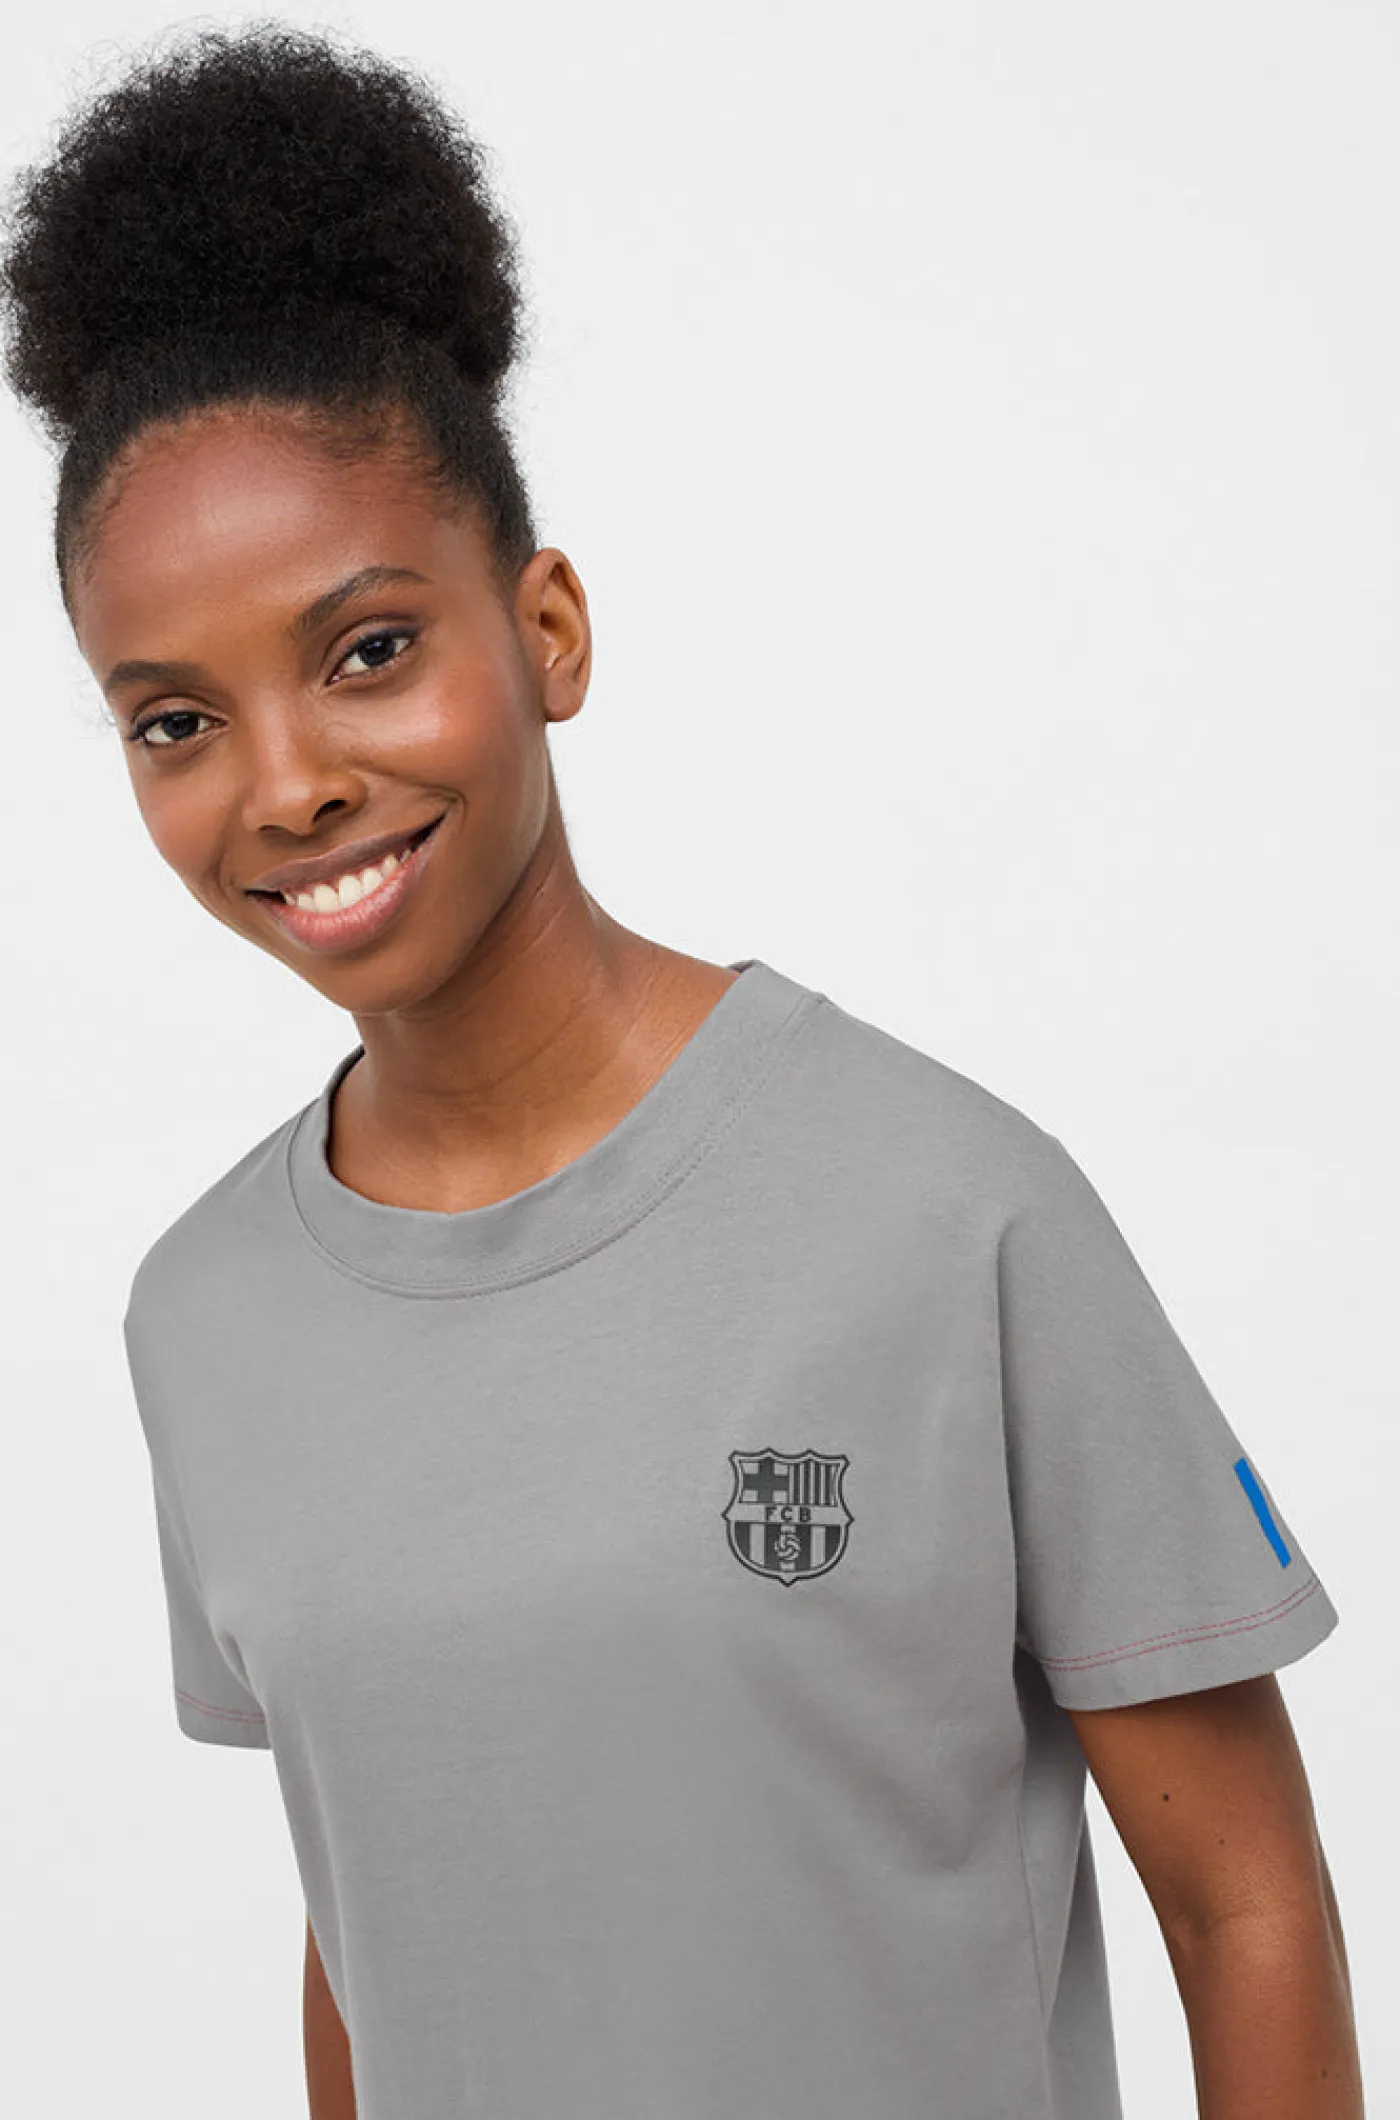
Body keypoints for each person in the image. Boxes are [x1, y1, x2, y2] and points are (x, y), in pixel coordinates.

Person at [0, 24, 1363, 2120]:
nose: (286, 783)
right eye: (173, 719)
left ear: (545, 628)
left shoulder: (948, 1209)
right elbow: (370, 1922)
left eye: (370, 649)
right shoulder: (205, 1317)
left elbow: (1243, 1900)